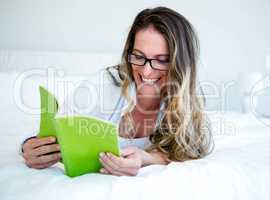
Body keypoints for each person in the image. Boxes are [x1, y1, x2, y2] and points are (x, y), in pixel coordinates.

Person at [21, 6, 214, 176]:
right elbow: (53, 132)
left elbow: (193, 148)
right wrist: (30, 147)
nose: (146, 71)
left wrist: (146, 158)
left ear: (180, 64)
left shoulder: (185, 97)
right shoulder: (100, 87)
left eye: (162, 60)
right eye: (138, 57)